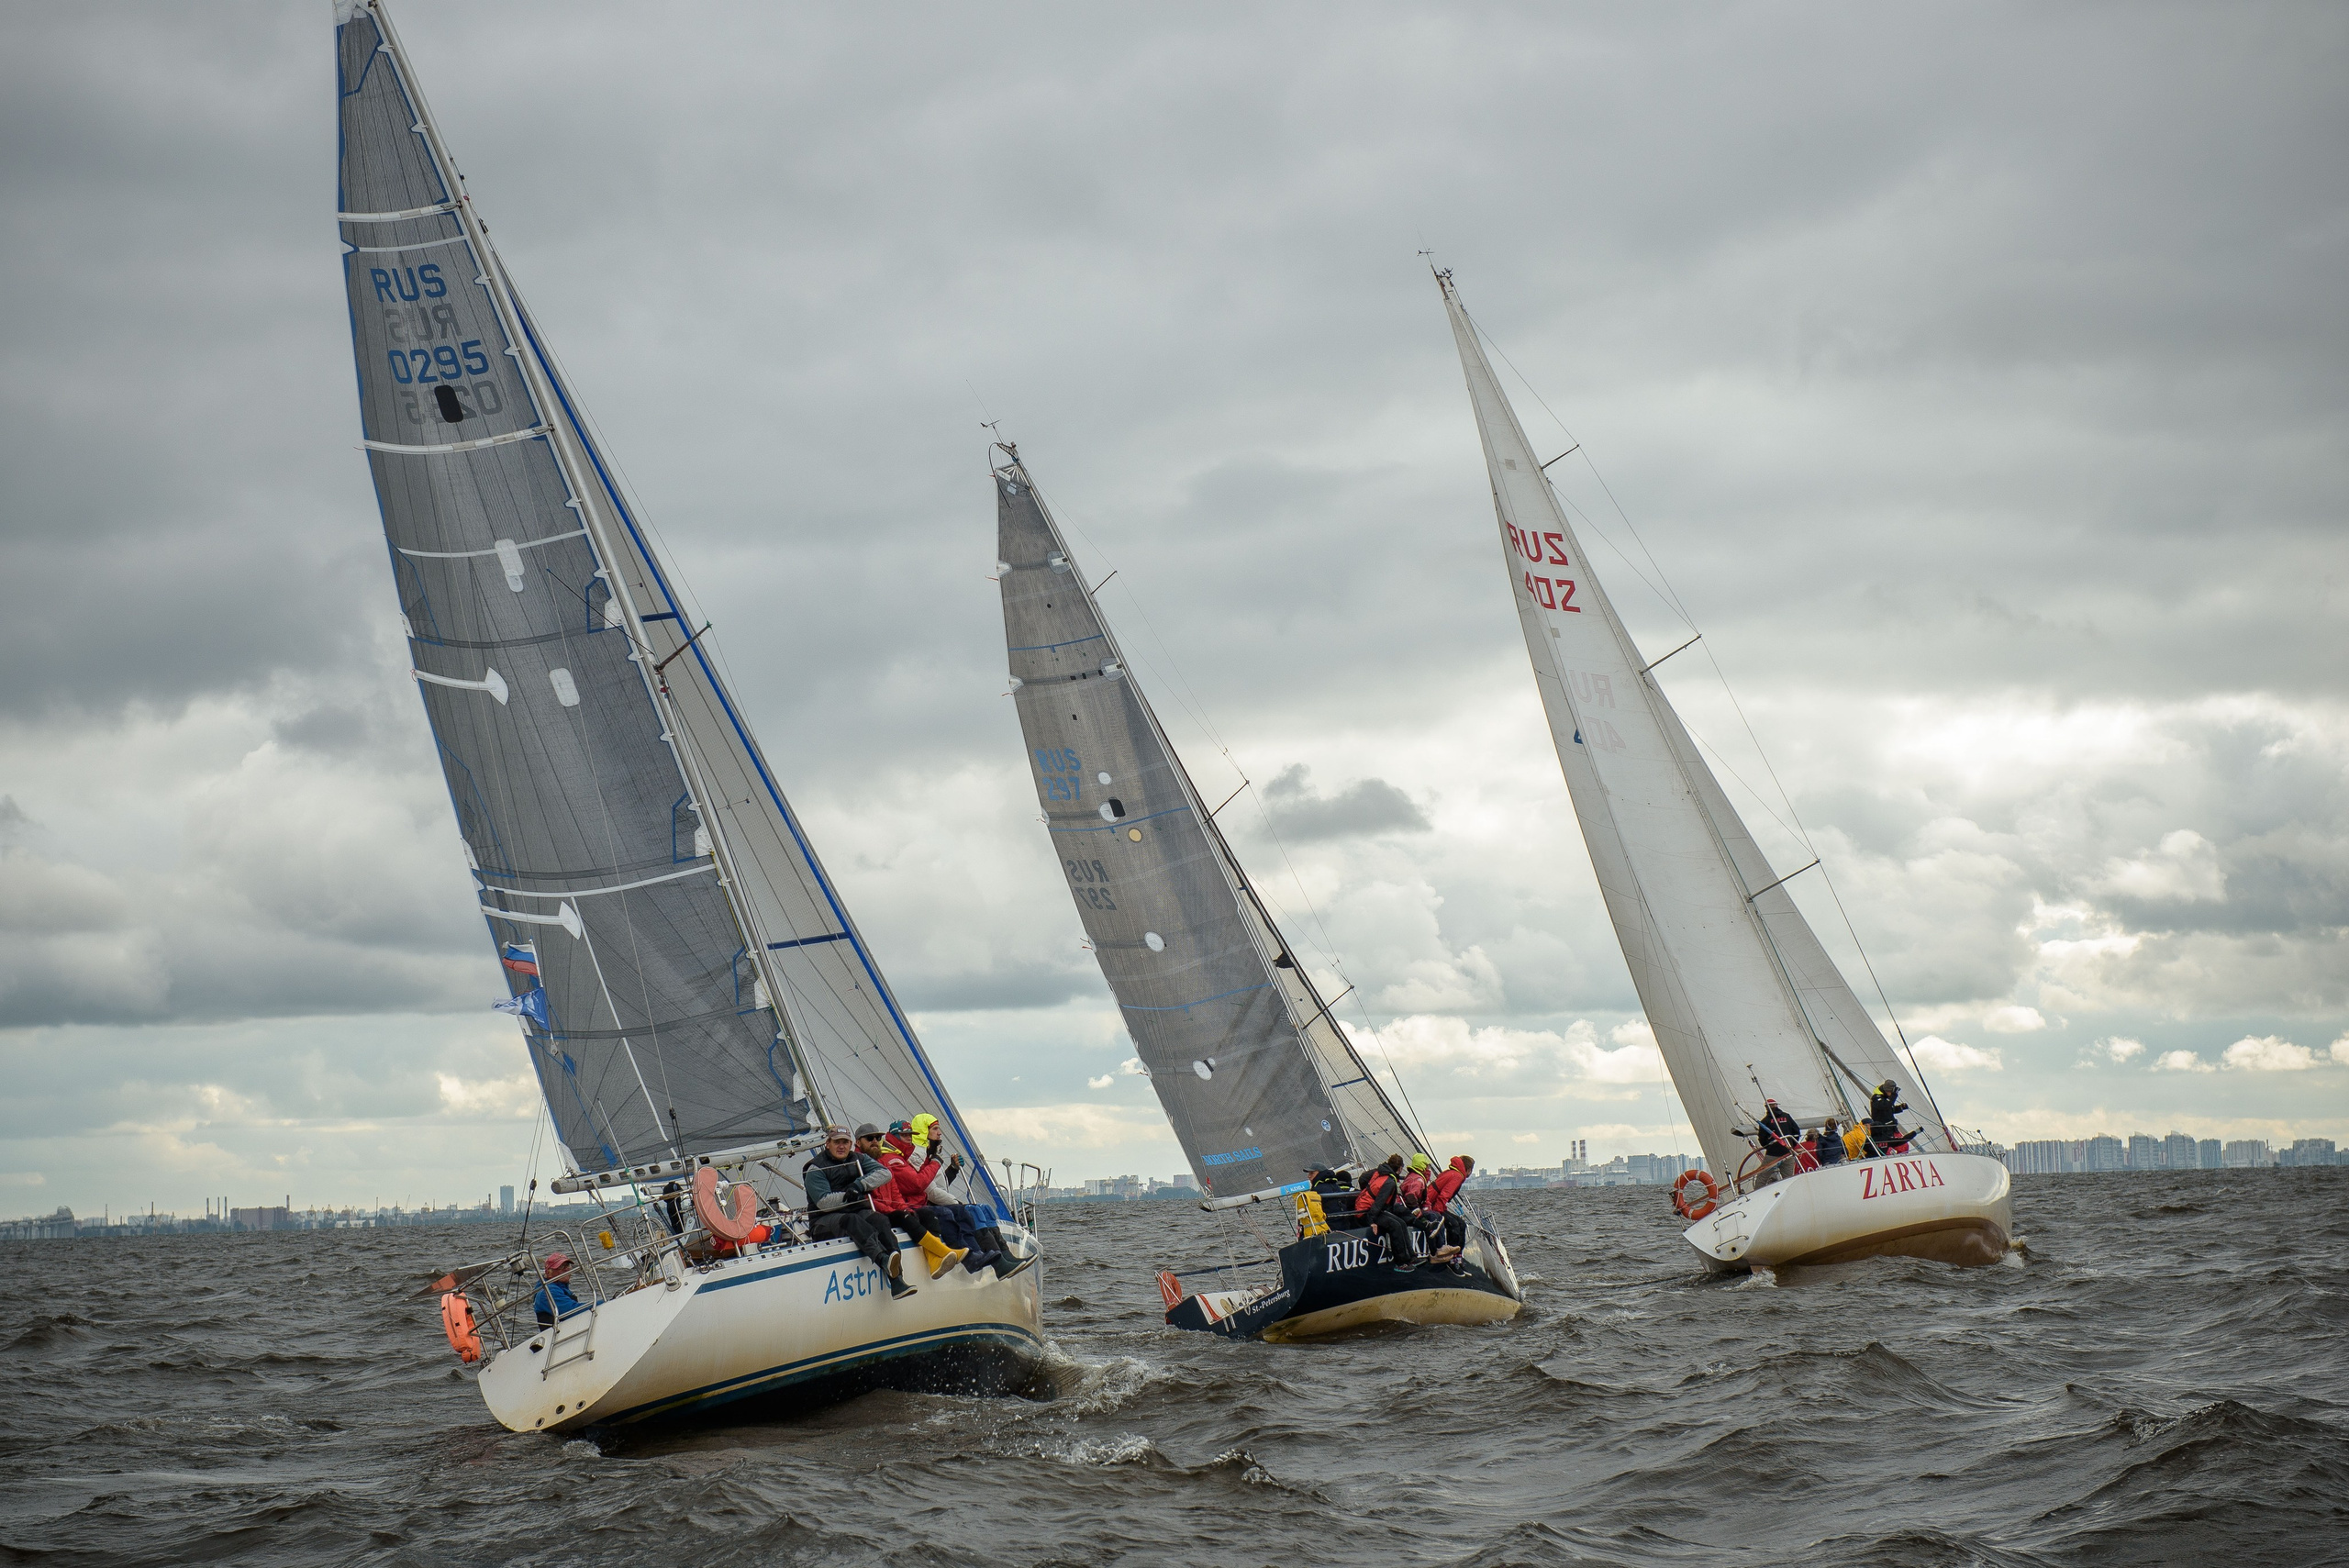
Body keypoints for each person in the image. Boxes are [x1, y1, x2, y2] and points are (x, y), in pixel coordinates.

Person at [898, 1116, 1032, 1281]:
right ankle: (996, 1263)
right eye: (934, 1129)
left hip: (937, 1201)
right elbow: (931, 1191)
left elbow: (941, 1184)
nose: (940, 1133)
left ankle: (1004, 1256)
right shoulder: (917, 1156)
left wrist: (953, 1169)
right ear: (923, 1131)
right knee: (970, 1210)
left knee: (985, 1209)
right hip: (928, 1205)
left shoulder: (929, 1153)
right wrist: (956, 1202)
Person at [803, 1125, 916, 1298]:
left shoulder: (858, 1158)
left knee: (880, 1220)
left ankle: (898, 1278)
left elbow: (885, 1173)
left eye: (845, 1142)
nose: (841, 1146)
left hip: (854, 1211)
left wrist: (859, 1185)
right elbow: (824, 1203)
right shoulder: (815, 1169)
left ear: (850, 1144)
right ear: (828, 1144)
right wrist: (849, 1195)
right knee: (853, 1221)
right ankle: (883, 1260)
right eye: (837, 1142)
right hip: (823, 1220)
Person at [865, 1124, 968, 1279]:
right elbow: (921, 1184)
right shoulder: (893, 1158)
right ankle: (959, 1256)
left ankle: (942, 1258)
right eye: (904, 1135)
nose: (939, 1133)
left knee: (931, 1214)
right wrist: (935, 1162)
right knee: (944, 1213)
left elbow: (898, 1191)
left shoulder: (903, 1156)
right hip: (883, 1211)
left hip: (908, 1205)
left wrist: (950, 1168)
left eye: (877, 1138)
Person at [1353, 1153, 1418, 1269]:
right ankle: (1401, 1262)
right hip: (1366, 1211)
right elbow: (1379, 1203)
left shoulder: (1380, 1171)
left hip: (1369, 1208)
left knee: (1401, 1223)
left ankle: (1411, 1257)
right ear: (1400, 1169)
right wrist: (1371, 1222)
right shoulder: (1389, 1182)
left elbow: (1363, 1178)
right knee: (1395, 1226)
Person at [1422, 1155, 1473, 1260]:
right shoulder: (1457, 1176)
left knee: (1461, 1224)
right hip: (1431, 1206)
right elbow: (1444, 1196)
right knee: (1454, 1224)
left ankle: (1458, 1257)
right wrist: (1438, 1213)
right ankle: (1450, 1257)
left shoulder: (1453, 1172)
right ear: (1468, 1170)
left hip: (1434, 1204)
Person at [1744, 1098, 1803, 1185]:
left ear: (1766, 1108)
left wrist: (1769, 1147)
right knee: (1789, 1178)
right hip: (1788, 1151)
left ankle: (1758, 1194)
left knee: (1762, 1177)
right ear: (1776, 1105)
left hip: (1772, 1154)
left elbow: (1762, 1138)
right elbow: (1796, 1131)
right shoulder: (1787, 1116)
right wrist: (1791, 1145)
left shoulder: (1765, 1121)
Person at [533, 1253, 586, 1325]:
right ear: (548, 1272)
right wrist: (603, 1304)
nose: (567, 1269)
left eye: (567, 1265)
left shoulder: (560, 1287)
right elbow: (573, 1311)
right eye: (561, 1266)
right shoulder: (547, 1292)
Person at [1868, 1081, 1910, 1156]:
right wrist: (1894, 1095)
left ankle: (1902, 1159)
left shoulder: (1887, 1099)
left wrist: (1901, 1107)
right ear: (1886, 1090)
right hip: (1883, 1130)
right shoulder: (1876, 1098)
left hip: (1892, 1128)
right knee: (1886, 1150)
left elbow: (1890, 1109)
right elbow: (1885, 1106)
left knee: (1904, 1146)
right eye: (1891, 1092)